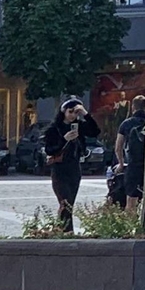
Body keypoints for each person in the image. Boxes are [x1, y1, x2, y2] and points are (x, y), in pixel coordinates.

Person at [40, 97, 99, 233]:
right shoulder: (54, 129)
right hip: (60, 169)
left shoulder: (79, 126)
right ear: (64, 112)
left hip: (74, 168)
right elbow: (50, 150)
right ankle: (66, 231)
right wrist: (64, 139)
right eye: (70, 111)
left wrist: (85, 114)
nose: (73, 115)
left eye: (76, 112)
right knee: (65, 202)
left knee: (69, 203)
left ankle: (62, 230)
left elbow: (95, 131)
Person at [116, 94, 145, 212]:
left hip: (133, 166)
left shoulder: (126, 123)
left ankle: (130, 227)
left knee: (131, 200)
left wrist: (121, 163)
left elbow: (118, 147)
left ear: (133, 108)